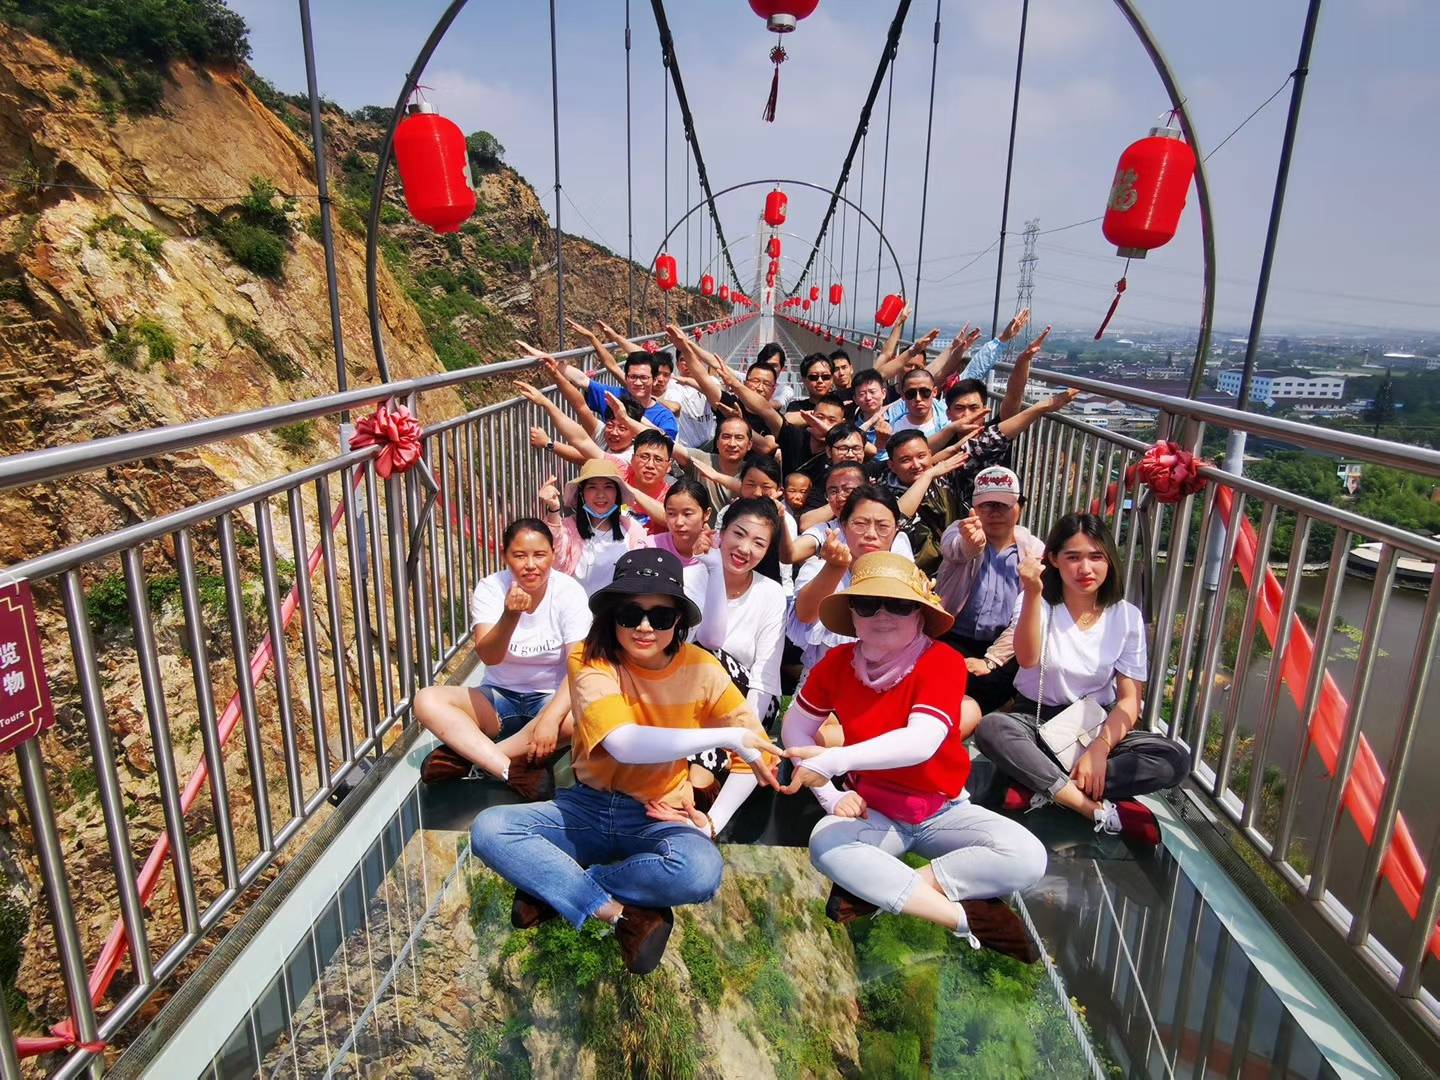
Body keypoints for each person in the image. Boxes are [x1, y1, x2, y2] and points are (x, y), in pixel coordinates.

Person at [469, 550, 783, 975]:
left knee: (700, 872)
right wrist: (726, 736)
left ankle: (556, 886)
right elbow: (624, 743)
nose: (644, 627)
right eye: (630, 614)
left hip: (659, 813)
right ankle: (621, 913)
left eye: (661, 617)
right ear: (612, 617)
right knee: (490, 829)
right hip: (587, 806)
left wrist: (713, 821)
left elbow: (758, 752)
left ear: (680, 622)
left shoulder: (702, 670)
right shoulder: (591, 659)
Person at [781, 552, 1046, 959]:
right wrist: (831, 796)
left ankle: (886, 891)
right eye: (868, 605)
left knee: (1028, 857)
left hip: (942, 810)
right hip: (874, 811)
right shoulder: (837, 663)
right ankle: (961, 919)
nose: (882, 615)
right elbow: (795, 728)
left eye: (900, 605)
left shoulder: (941, 662)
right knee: (824, 843)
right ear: (852, 614)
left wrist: (837, 760)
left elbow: (921, 740)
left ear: (920, 614)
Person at [974, 514, 1188, 843]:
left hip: (1094, 726)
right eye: (1073, 557)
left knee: (1172, 759)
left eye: (1096, 556)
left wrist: (1100, 750)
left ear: (1109, 562)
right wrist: (1032, 593)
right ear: (1054, 561)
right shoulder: (1035, 603)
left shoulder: (1126, 616)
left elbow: (1130, 700)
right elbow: (1028, 659)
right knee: (992, 729)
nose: (1085, 569)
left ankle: (1040, 787)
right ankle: (1091, 808)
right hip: (1035, 720)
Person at [416, 518, 590, 791]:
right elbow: (490, 656)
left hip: (551, 699)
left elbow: (577, 666)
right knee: (426, 700)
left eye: (539, 555)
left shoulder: (569, 593)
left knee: (587, 716)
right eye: (519, 556)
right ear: (505, 557)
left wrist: (551, 719)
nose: (530, 565)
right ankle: (507, 768)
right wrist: (510, 615)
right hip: (498, 700)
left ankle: (471, 756)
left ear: (553, 555)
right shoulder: (491, 588)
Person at [689, 498, 789, 802]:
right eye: (739, 534)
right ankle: (698, 787)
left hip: (749, 700)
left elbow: (766, 673)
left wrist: (747, 727)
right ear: (721, 532)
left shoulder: (771, 593)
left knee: (709, 657)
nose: (745, 548)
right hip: (690, 697)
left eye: (758, 543)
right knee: (700, 656)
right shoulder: (691, 577)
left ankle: (699, 784)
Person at [936, 467, 1044, 713]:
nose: (994, 513)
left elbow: (1025, 616)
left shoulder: (1034, 551)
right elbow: (956, 548)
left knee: (1001, 678)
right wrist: (970, 544)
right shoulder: (961, 530)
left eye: (1003, 505)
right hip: (953, 634)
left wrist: (992, 660)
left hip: (1003, 642)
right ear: (973, 509)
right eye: (986, 506)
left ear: (1020, 508)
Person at [789, 484, 904, 678]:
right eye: (860, 523)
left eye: (883, 526)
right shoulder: (819, 567)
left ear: (896, 530)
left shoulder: (903, 575)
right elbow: (805, 614)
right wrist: (834, 568)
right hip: (824, 682)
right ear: (843, 524)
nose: (871, 534)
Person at [538, 459, 650, 596]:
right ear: (581, 493)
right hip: (576, 613)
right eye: (592, 487)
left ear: (617, 493)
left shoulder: (633, 531)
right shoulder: (567, 529)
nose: (600, 494)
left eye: (608, 487)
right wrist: (553, 510)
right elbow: (554, 556)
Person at [651, 479, 729, 651]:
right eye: (671, 513)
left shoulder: (721, 551)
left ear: (706, 514)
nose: (679, 522)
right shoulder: (648, 547)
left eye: (687, 514)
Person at [791, 462, 914, 564]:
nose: (840, 497)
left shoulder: (895, 534)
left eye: (848, 490)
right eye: (833, 491)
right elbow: (790, 555)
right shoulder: (826, 531)